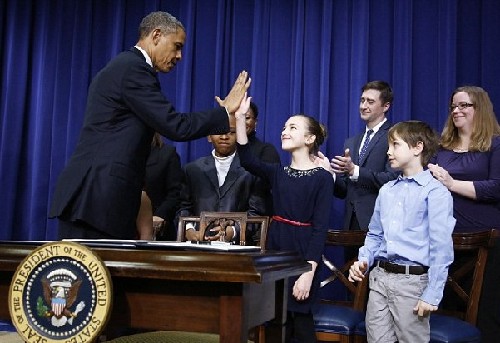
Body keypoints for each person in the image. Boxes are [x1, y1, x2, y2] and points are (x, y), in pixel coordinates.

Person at [49, 11, 250, 240]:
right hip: (95, 200)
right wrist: (224, 113)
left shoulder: (128, 68)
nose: (180, 56)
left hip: (103, 201)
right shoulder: (132, 68)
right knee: (91, 275)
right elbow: (176, 125)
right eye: (176, 46)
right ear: (156, 35)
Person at [235, 94, 333, 342]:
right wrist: (238, 117)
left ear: (310, 139)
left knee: (300, 322)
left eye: (292, 127)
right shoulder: (277, 173)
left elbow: (320, 227)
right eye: (283, 127)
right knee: (274, 319)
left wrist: (309, 272)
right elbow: (246, 157)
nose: (285, 131)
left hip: (303, 253)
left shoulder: (321, 177)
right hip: (276, 248)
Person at [349, 121, 455, 343]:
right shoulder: (387, 191)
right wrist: (363, 260)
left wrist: (432, 294)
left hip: (412, 283)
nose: (389, 151)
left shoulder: (435, 192)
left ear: (417, 147)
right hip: (379, 279)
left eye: (395, 145)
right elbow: (375, 235)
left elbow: (441, 248)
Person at [427, 86, 500, 342]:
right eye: (453, 106)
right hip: (444, 240)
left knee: (484, 312)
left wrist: (451, 184)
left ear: (479, 109)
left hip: (485, 242)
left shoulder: (494, 146)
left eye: (464, 106)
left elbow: (496, 188)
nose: (456, 111)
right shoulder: (442, 147)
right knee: (444, 309)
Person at [176, 116, 267, 243]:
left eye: (232, 132)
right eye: (219, 131)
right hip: (199, 246)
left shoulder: (252, 171)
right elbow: (183, 207)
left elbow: (257, 213)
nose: (224, 137)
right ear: (209, 136)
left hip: (238, 249)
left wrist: (233, 231)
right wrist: (189, 231)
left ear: (240, 135)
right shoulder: (192, 169)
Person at [326, 81, 398, 231]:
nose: (363, 106)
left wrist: (355, 171)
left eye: (370, 102)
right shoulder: (351, 142)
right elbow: (343, 191)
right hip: (350, 224)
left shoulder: (395, 136)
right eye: (362, 100)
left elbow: (392, 180)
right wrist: (331, 174)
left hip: (380, 223)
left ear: (386, 106)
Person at [136, 133, 183, 241]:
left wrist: (161, 215)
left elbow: (175, 193)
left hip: (158, 229)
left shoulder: (167, 153)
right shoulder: (122, 154)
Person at [244, 101, 281, 215]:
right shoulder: (222, 150)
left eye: (247, 118)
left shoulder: (266, 150)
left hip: (255, 218)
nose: (241, 122)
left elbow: (266, 188)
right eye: (236, 117)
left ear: (255, 122)